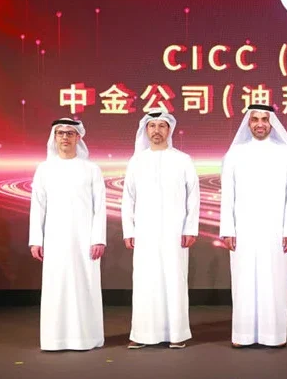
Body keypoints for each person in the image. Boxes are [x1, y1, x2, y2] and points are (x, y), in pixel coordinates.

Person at [219, 104, 287, 348]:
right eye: (255, 119)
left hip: (275, 230)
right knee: (243, 281)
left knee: (274, 281)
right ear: (248, 123)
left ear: (271, 123)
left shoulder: (285, 153)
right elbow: (228, 194)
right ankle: (242, 335)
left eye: (264, 119)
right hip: (243, 229)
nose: (260, 124)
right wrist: (228, 229)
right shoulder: (235, 153)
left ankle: (273, 336)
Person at [121, 110, 200, 349]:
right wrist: (129, 230)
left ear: (169, 130)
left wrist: (190, 228)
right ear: (146, 130)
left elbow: (193, 196)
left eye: (162, 126)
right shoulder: (137, 161)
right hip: (144, 232)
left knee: (175, 279)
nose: (157, 130)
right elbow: (128, 198)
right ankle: (142, 334)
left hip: (175, 232)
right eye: (152, 126)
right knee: (144, 281)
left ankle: (177, 334)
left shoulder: (183, 160)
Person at [29, 118, 106, 351]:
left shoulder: (91, 169)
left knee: (85, 286)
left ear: (78, 138)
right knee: (56, 286)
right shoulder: (44, 169)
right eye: (60, 133)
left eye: (70, 133)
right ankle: (55, 340)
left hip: (85, 240)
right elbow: (38, 206)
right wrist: (36, 240)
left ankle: (87, 338)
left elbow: (100, 207)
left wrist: (98, 238)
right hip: (54, 239)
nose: (65, 137)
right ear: (54, 137)